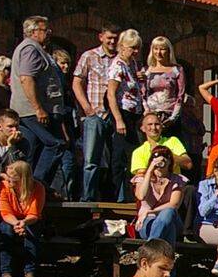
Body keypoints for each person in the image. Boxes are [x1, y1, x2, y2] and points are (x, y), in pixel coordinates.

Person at [9, 15, 74, 196]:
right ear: (33, 31)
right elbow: (26, 78)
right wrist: (38, 108)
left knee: (33, 149)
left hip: (33, 110)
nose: (49, 34)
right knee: (55, 144)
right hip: (32, 110)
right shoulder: (30, 49)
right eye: (46, 30)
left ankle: (34, 187)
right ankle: (37, 184)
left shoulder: (36, 49)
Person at [72, 25, 120, 200]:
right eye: (109, 38)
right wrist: (86, 107)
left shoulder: (121, 59)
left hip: (115, 116)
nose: (112, 41)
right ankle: (88, 197)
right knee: (91, 159)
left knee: (113, 159)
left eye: (115, 38)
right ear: (101, 37)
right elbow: (77, 82)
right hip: (95, 114)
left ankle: (109, 196)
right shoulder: (89, 56)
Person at [103, 29, 146, 192]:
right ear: (122, 46)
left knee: (133, 154)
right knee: (120, 154)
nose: (135, 51)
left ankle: (129, 191)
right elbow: (111, 94)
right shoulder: (118, 65)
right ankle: (114, 192)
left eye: (137, 48)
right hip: (123, 112)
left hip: (135, 113)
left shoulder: (132, 63)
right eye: (132, 47)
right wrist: (118, 119)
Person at [0, 159, 45, 277]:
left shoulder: (38, 188)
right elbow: (4, 210)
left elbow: (34, 213)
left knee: (31, 231)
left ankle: (30, 271)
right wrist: (17, 223)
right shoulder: (3, 186)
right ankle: (5, 271)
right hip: (10, 219)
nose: (9, 181)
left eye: (13, 179)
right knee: (6, 230)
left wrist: (24, 223)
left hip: (30, 219)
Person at [131, 147, 186, 242]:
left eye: (164, 159)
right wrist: (149, 171)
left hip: (167, 217)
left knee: (168, 212)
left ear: (169, 161)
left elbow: (174, 205)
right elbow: (141, 196)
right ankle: (166, 255)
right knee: (169, 229)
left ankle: (151, 246)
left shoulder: (177, 180)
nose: (160, 164)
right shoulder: (141, 179)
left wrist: (150, 211)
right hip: (147, 221)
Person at [126, 109, 191, 178]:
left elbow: (188, 164)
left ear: (161, 127)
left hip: (173, 183)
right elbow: (141, 176)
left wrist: (167, 154)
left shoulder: (173, 141)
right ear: (142, 128)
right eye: (150, 124)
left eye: (157, 124)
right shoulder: (138, 152)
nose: (153, 128)